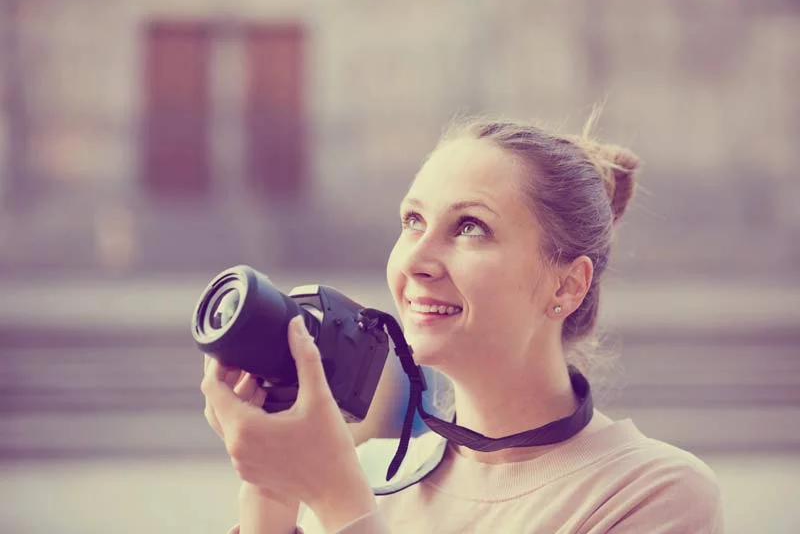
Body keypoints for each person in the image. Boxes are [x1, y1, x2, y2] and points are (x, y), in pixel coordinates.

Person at [201, 112, 724, 533]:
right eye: (413, 221)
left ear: (567, 285)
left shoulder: (652, 493)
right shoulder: (368, 475)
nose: (415, 260)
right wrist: (271, 492)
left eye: (470, 226)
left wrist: (340, 506)